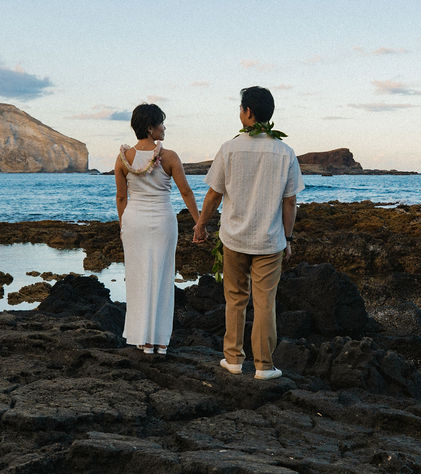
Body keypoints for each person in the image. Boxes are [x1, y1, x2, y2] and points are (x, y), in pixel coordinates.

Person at [193, 86, 303, 379]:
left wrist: (201, 224)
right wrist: (288, 239)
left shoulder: (230, 148)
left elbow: (214, 195)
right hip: (270, 240)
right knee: (265, 302)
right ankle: (264, 366)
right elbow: (290, 201)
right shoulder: (285, 152)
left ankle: (233, 359)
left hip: (234, 237)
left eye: (241, 108)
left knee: (235, 298)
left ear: (248, 112)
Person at [115, 103, 200, 354]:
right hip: (162, 218)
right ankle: (160, 341)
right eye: (161, 123)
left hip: (134, 222)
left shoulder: (123, 158)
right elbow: (185, 191)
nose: (164, 127)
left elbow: (121, 198)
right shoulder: (169, 156)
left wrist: (123, 226)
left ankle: (142, 339)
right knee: (162, 276)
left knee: (138, 277)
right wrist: (199, 223)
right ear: (150, 128)